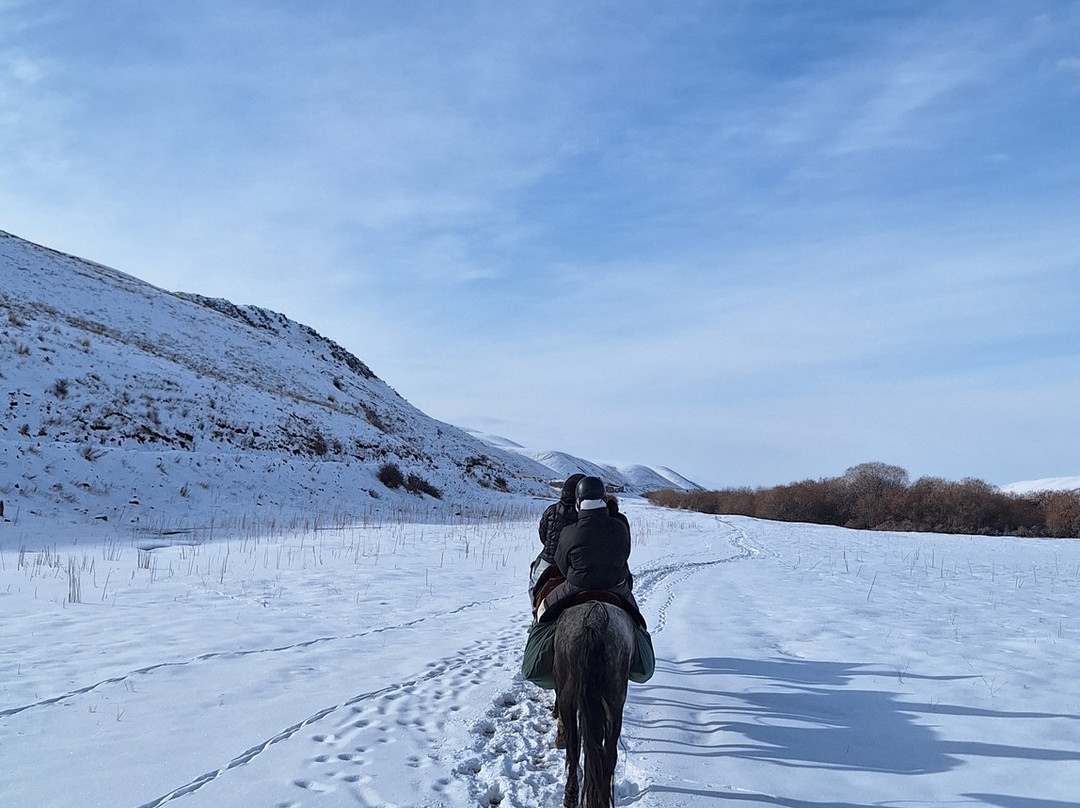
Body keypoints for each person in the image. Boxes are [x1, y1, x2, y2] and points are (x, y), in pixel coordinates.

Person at [536, 475, 642, 627]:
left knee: (541, 614)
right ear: (604, 499)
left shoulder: (568, 531)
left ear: (578, 503)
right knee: (639, 625)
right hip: (616, 586)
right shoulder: (620, 525)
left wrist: (576, 576)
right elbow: (625, 554)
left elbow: (562, 564)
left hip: (576, 586)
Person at [529, 473, 584, 597]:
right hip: (578, 563)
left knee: (533, 587)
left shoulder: (551, 510)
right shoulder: (584, 514)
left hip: (550, 560)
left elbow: (543, 536)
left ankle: (535, 612)